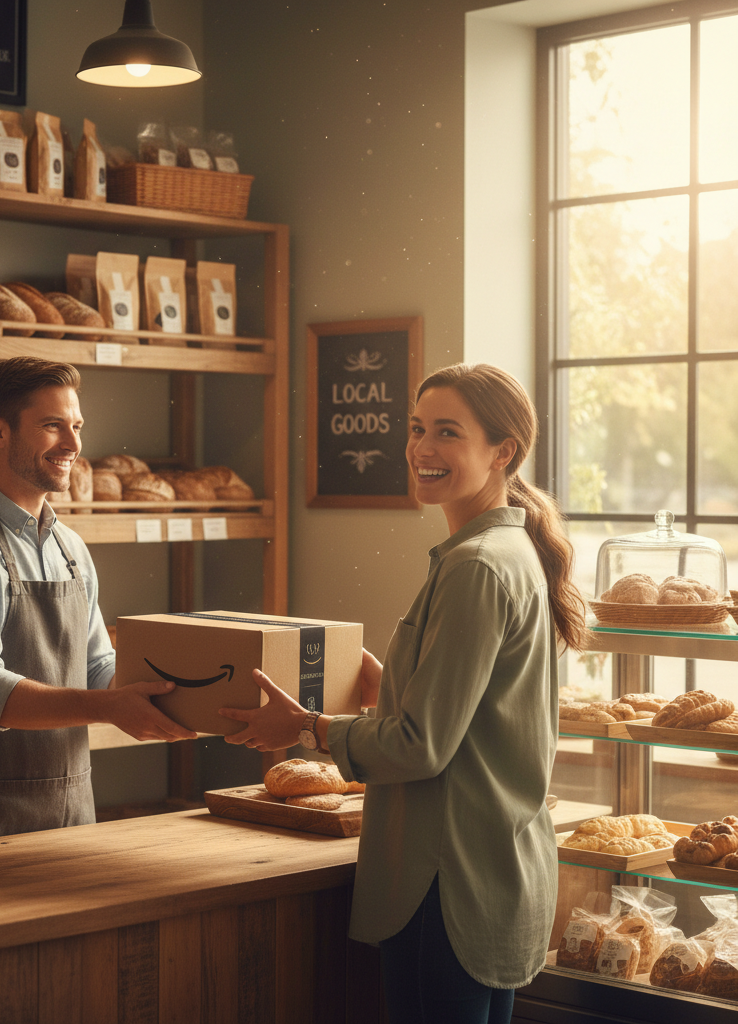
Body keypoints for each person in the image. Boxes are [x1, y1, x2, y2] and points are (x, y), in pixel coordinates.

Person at [219, 363, 587, 1024]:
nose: (422, 448)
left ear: (503, 451)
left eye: (448, 432)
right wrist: (389, 688)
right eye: (417, 428)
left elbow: (422, 749)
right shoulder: (507, 551)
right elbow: (479, 720)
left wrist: (309, 726)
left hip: (444, 883)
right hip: (493, 873)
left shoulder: (475, 566)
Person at [0, 356, 196, 847]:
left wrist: (187, 701)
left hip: (71, 812)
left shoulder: (71, 549)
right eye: (52, 426)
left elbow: (99, 664)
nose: (74, 445)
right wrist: (109, 708)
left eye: (77, 426)